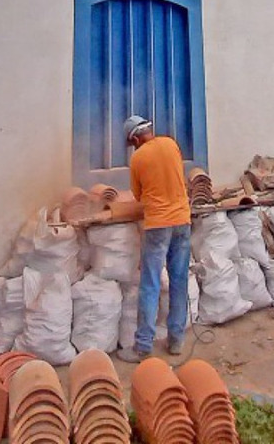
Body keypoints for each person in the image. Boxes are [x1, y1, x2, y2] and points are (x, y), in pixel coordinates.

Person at [115, 114, 192, 362]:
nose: (133, 147)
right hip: (182, 220)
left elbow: (138, 196)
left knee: (150, 284)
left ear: (135, 138)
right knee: (179, 281)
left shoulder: (138, 158)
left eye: (132, 143)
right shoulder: (171, 144)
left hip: (158, 224)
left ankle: (143, 347)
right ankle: (176, 340)